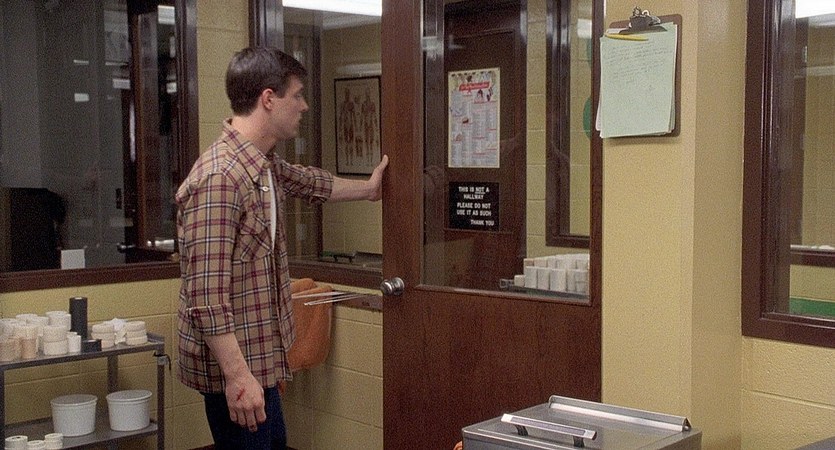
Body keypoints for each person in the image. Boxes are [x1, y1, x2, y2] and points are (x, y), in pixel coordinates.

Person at [174, 47, 388, 449]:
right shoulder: (221, 178)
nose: (304, 106)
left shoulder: (262, 164)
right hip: (236, 372)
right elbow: (206, 297)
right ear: (268, 99)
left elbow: (311, 183)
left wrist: (369, 189)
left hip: (262, 360)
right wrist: (238, 377)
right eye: (297, 95)